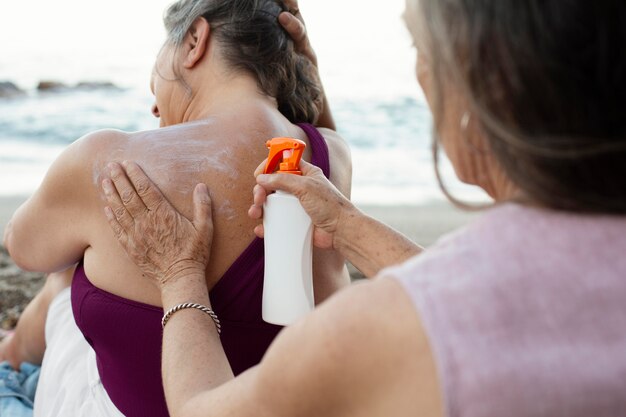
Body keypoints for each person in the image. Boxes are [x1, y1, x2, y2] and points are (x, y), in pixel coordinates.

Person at [102, 0, 626, 416]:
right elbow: (506, 300)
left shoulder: (385, 328)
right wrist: (347, 224)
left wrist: (178, 273)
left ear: (490, 84)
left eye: (419, 45)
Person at [2, 0, 351, 415]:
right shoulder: (330, 162)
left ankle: (9, 360)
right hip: (270, 402)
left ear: (194, 41)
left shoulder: (103, 161)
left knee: (66, 269)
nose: (154, 108)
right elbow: (322, 131)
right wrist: (306, 68)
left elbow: (23, 248)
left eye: (155, 83)